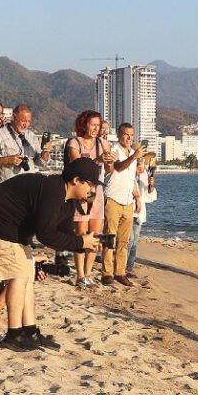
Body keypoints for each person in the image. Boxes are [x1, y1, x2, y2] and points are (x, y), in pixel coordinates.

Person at [0, 157, 101, 352]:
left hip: (13, 228)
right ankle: (13, 335)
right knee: (19, 275)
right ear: (76, 180)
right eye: (91, 184)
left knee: (28, 274)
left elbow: (63, 233)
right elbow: (46, 234)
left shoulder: (67, 200)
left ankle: (30, 332)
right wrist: (81, 242)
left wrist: (85, 245)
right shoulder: (53, 192)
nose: (92, 190)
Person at [65, 110, 114, 287]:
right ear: (84, 124)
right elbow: (79, 167)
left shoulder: (104, 143)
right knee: (81, 234)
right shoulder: (75, 143)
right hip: (80, 194)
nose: (95, 128)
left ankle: (88, 272)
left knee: (95, 235)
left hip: (97, 194)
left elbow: (109, 170)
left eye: (98, 125)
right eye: (92, 125)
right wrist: (97, 159)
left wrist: (110, 160)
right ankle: (79, 275)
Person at [101, 123, 144, 286]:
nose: (129, 138)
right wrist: (133, 158)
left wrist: (137, 197)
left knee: (124, 240)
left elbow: (131, 178)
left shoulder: (133, 153)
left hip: (128, 201)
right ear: (119, 135)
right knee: (109, 238)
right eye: (126, 134)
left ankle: (120, 272)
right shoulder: (114, 149)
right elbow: (117, 167)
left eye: (131, 135)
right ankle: (107, 273)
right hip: (112, 198)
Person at [0, 103, 51, 183]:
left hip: (29, 186)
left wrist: (45, 152)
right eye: (23, 121)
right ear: (13, 117)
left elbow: (41, 163)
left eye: (28, 121)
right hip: (7, 187)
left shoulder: (31, 136)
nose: (26, 125)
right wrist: (6, 160)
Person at [126, 157, 157, 276]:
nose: (141, 167)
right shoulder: (128, 174)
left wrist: (151, 185)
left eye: (143, 165)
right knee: (129, 239)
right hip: (128, 210)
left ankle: (129, 267)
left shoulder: (144, 176)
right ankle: (121, 266)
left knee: (135, 241)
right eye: (139, 164)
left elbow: (149, 196)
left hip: (139, 212)